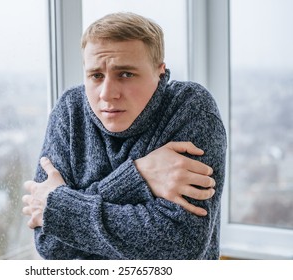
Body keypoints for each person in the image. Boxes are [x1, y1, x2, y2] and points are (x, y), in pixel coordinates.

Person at [22, 12, 227, 260]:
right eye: (96, 75)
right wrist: (138, 175)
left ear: (160, 72)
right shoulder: (70, 110)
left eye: (126, 74)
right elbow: (49, 243)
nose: (107, 94)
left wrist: (60, 207)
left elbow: (181, 246)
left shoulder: (190, 108)